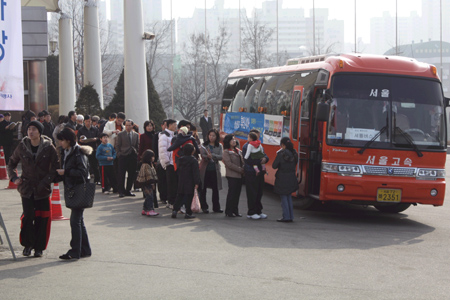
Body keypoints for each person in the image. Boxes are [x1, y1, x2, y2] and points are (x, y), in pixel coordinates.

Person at [7, 120, 58, 257]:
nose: (31, 131)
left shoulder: (49, 147)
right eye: (29, 129)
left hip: (43, 189)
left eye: (34, 129)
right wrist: (14, 178)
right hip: (27, 189)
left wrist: (46, 181)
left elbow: (55, 167)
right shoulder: (22, 146)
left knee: (43, 218)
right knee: (28, 218)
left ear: (39, 132)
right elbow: (11, 163)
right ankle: (27, 245)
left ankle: (39, 248)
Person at [56, 127, 92, 260]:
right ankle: (85, 249)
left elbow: (82, 173)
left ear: (68, 140)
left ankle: (75, 250)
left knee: (75, 221)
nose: (60, 143)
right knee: (79, 221)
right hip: (73, 188)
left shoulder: (78, 153)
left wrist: (66, 172)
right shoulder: (67, 151)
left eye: (62, 140)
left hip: (78, 189)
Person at [242, 129, 269, 220]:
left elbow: (264, 155)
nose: (258, 137)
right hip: (251, 172)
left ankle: (258, 210)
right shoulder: (247, 146)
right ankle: (251, 211)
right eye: (256, 135)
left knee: (259, 192)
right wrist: (260, 160)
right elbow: (247, 159)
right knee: (252, 192)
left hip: (260, 171)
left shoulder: (259, 145)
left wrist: (265, 159)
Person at [272, 137, 299, 222]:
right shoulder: (294, 153)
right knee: (288, 197)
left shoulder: (281, 154)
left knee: (284, 197)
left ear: (282, 145)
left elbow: (274, 165)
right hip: (291, 177)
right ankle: (290, 216)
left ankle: (286, 216)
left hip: (282, 178)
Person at [171, 144, 201, 219]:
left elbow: (178, 170)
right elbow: (196, 172)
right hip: (190, 181)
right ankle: (188, 213)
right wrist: (197, 182)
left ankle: (175, 210)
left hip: (181, 180)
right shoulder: (193, 160)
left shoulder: (180, 159)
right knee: (189, 197)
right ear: (192, 151)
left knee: (179, 196)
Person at [199, 128, 223, 213]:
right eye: (210, 135)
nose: (211, 137)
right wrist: (207, 157)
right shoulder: (204, 145)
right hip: (205, 169)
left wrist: (212, 155)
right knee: (203, 189)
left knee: (215, 189)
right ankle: (204, 207)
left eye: (213, 135)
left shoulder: (219, 145)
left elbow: (221, 156)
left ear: (216, 137)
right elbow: (202, 155)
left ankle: (216, 207)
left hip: (215, 170)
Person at [115, 119, 139, 197]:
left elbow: (137, 145)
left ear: (132, 126)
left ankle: (128, 190)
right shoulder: (120, 134)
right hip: (123, 155)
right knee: (121, 174)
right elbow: (117, 145)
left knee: (131, 174)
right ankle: (121, 191)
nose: (128, 127)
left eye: (129, 125)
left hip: (132, 155)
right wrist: (119, 154)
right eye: (126, 125)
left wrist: (136, 153)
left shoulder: (136, 135)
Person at [222, 134, 244, 217]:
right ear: (228, 142)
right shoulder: (226, 152)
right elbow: (229, 164)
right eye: (232, 140)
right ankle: (229, 211)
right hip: (232, 175)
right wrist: (240, 169)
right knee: (232, 193)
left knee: (237, 194)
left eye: (234, 139)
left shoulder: (238, 151)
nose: (234, 141)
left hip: (239, 175)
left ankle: (235, 210)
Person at [158, 119, 177, 207]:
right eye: (174, 124)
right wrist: (166, 163)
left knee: (173, 184)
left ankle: (172, 201)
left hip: (174, 162)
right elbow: (162, 150)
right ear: (169, 125)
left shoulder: (173, 135)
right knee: (170, 184)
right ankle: (171, 201)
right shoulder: (164, 136)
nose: (175, 126)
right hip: (169, 163)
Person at [77, 115, 100, 184]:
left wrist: (96, 139)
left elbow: (99, 137)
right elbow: (78, 139)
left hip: (93, 148)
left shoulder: (95, 129)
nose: (88, 123)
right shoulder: (81, 130)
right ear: (84, 122)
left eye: (89, 121)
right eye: (87, 121)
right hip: (85, 149)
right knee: (85, 165)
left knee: (95, 165)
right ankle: (85, 179)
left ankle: (97, 180)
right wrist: (80, 141)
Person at [138, 150, 159, 216]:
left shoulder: (146, 164)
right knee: (150, 197)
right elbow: (149, 176)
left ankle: (145, 209)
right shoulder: (147, 165)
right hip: (148, 183)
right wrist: (153, 182)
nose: (153, 158)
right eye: (152, 157)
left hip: (145, 183)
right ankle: (150, 209)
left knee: (148, 196)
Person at [154, 120, 168, 205]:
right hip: (159, 161)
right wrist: (155, 159)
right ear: (162, 125)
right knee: (161, 180)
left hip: (168, 161)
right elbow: (155, 148)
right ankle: (162, 197)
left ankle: (167, 196)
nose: (166, 127)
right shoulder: (157, 135)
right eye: (165, 125)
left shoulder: (172, 135)